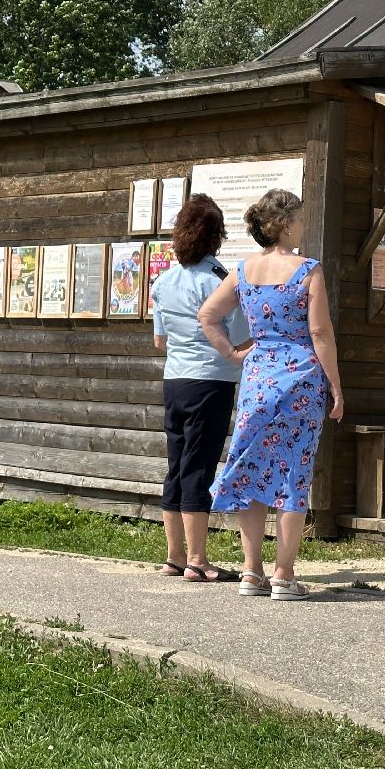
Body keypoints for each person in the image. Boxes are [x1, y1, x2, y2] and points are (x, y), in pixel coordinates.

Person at [198, 188, 344, 601]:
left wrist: (233, 352)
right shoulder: (308, 270)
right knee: (292, 472)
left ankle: (250, 572)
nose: (303, 224)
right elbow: (319, 333)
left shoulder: (243, 271)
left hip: (259, 378)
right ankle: (284, 573)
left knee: (251, 469)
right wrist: (335, 384)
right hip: (301, 378)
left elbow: (208, 315)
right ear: (285, 223)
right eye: (299, 218)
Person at [149, 194, 250, 583]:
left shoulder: (163, 281)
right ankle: (197, 559)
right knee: (199, 466)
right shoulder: (219, 282)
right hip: (212, 381)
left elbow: (160, 341)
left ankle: (174, 556)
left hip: (174, 380)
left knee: (177, 465)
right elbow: (241, 339)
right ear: (216, 237)